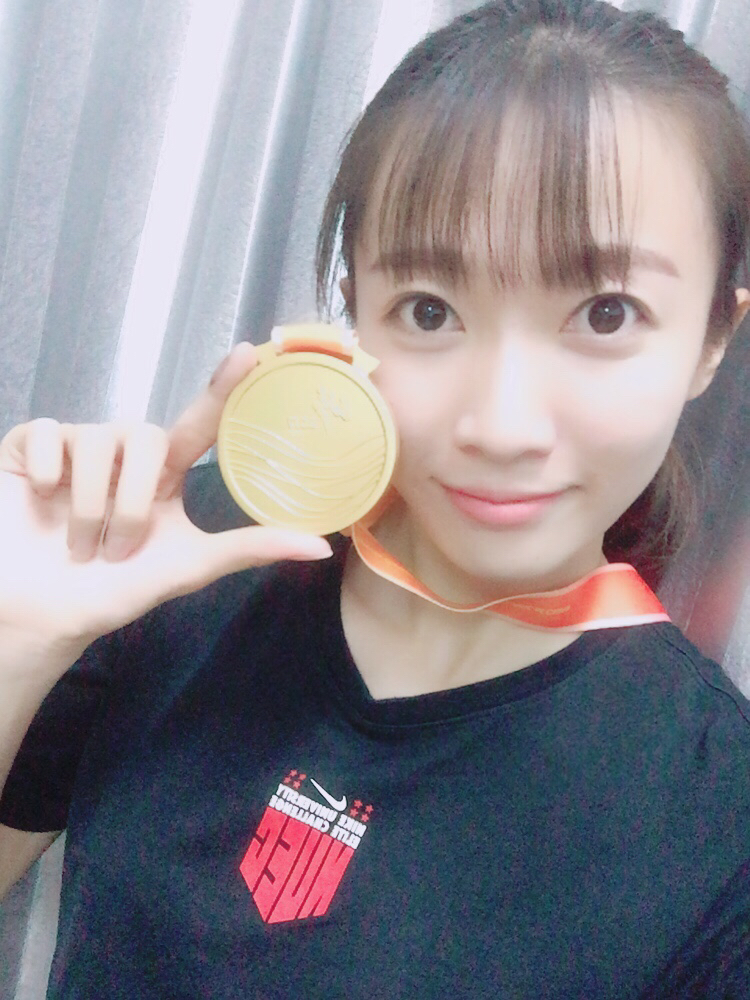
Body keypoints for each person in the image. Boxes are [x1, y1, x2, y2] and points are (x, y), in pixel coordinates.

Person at [1, 0, 749, 995]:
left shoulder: (719, 817)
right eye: (429, 311)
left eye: (606, 313)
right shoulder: (175, 571)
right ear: (355, 314)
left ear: (710, 339)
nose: (502, 425)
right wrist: (19, 639)